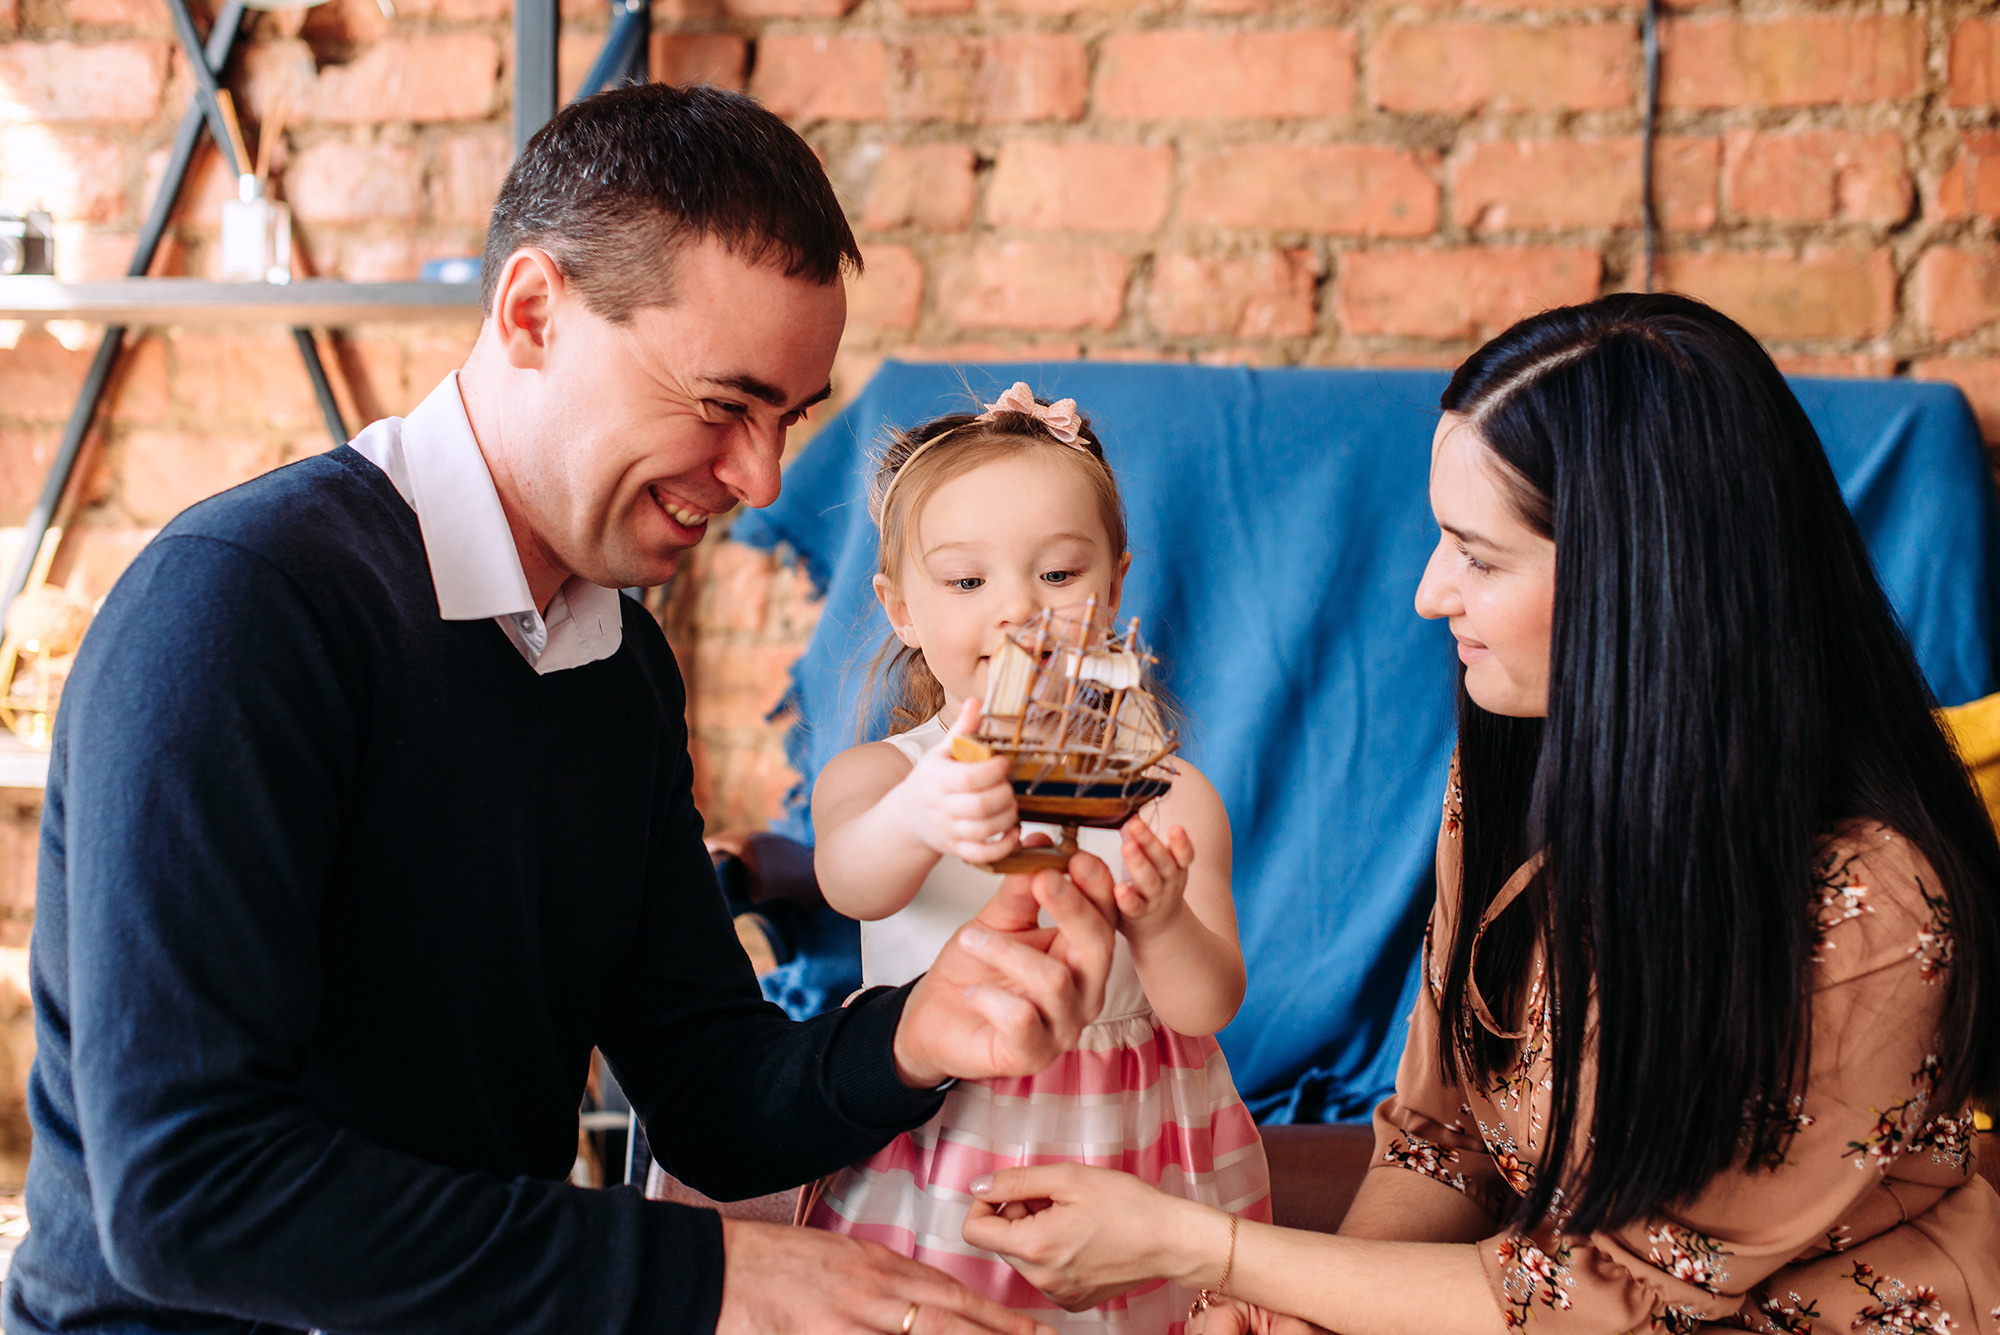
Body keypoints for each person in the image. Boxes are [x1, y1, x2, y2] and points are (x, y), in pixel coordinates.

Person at [5, 84, 1123, 1335]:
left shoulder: (616, 664)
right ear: (533, 312)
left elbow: (706, 1086)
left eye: (786, 420)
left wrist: (917, 1030)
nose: (757, 478)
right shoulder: (241, 607)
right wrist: (706, 1276)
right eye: (722, 405)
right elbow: (188, 1199)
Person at [957, 293, 2000, 1334]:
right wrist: (1298, 1314)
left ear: (1634, 580)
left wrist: (1199, 1245)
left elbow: (1608, 1300)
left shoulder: (1869, 909)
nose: (1426, 593)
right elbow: (1439, 1138)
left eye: (1479, 556)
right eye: (1438, 539)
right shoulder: (1521, 750)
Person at [802, 386, 1271, 1332]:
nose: (1019, 608)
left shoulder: (1169, 791)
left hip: (1133, 1143)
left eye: (1059, 574)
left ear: (1117, 583)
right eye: (968, 582)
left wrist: (1164, 915)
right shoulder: (880, 777)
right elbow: (848, 878)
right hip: (942, 1137)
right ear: (900, 607)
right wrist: (921, 813)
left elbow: (1208, 1002)